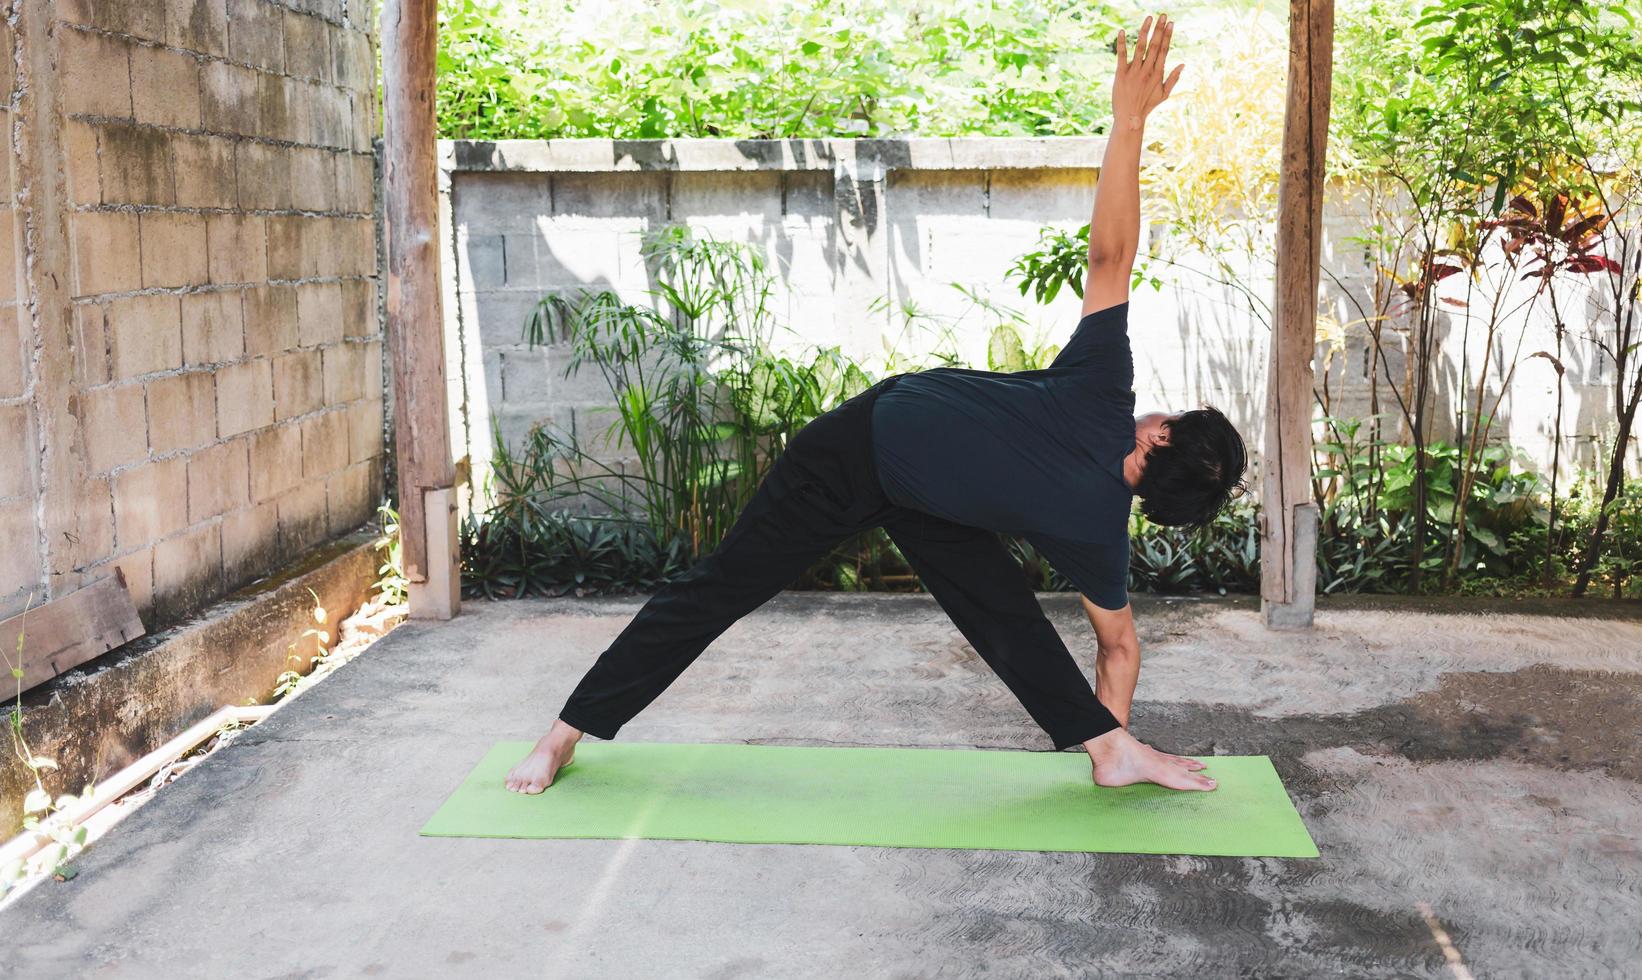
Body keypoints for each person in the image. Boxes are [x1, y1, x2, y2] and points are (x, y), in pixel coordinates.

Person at [506, 12, 1245, 796]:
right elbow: (1119, 647)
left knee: (726, 590)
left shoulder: (1107, 390)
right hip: (869, 474)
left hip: (859, 456)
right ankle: (1112, 751)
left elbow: (1112, 254)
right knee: (967, 607)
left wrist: (1127, 120)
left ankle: (558, 740)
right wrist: (1118, 719)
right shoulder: (1101, 535)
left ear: (1162, 431)